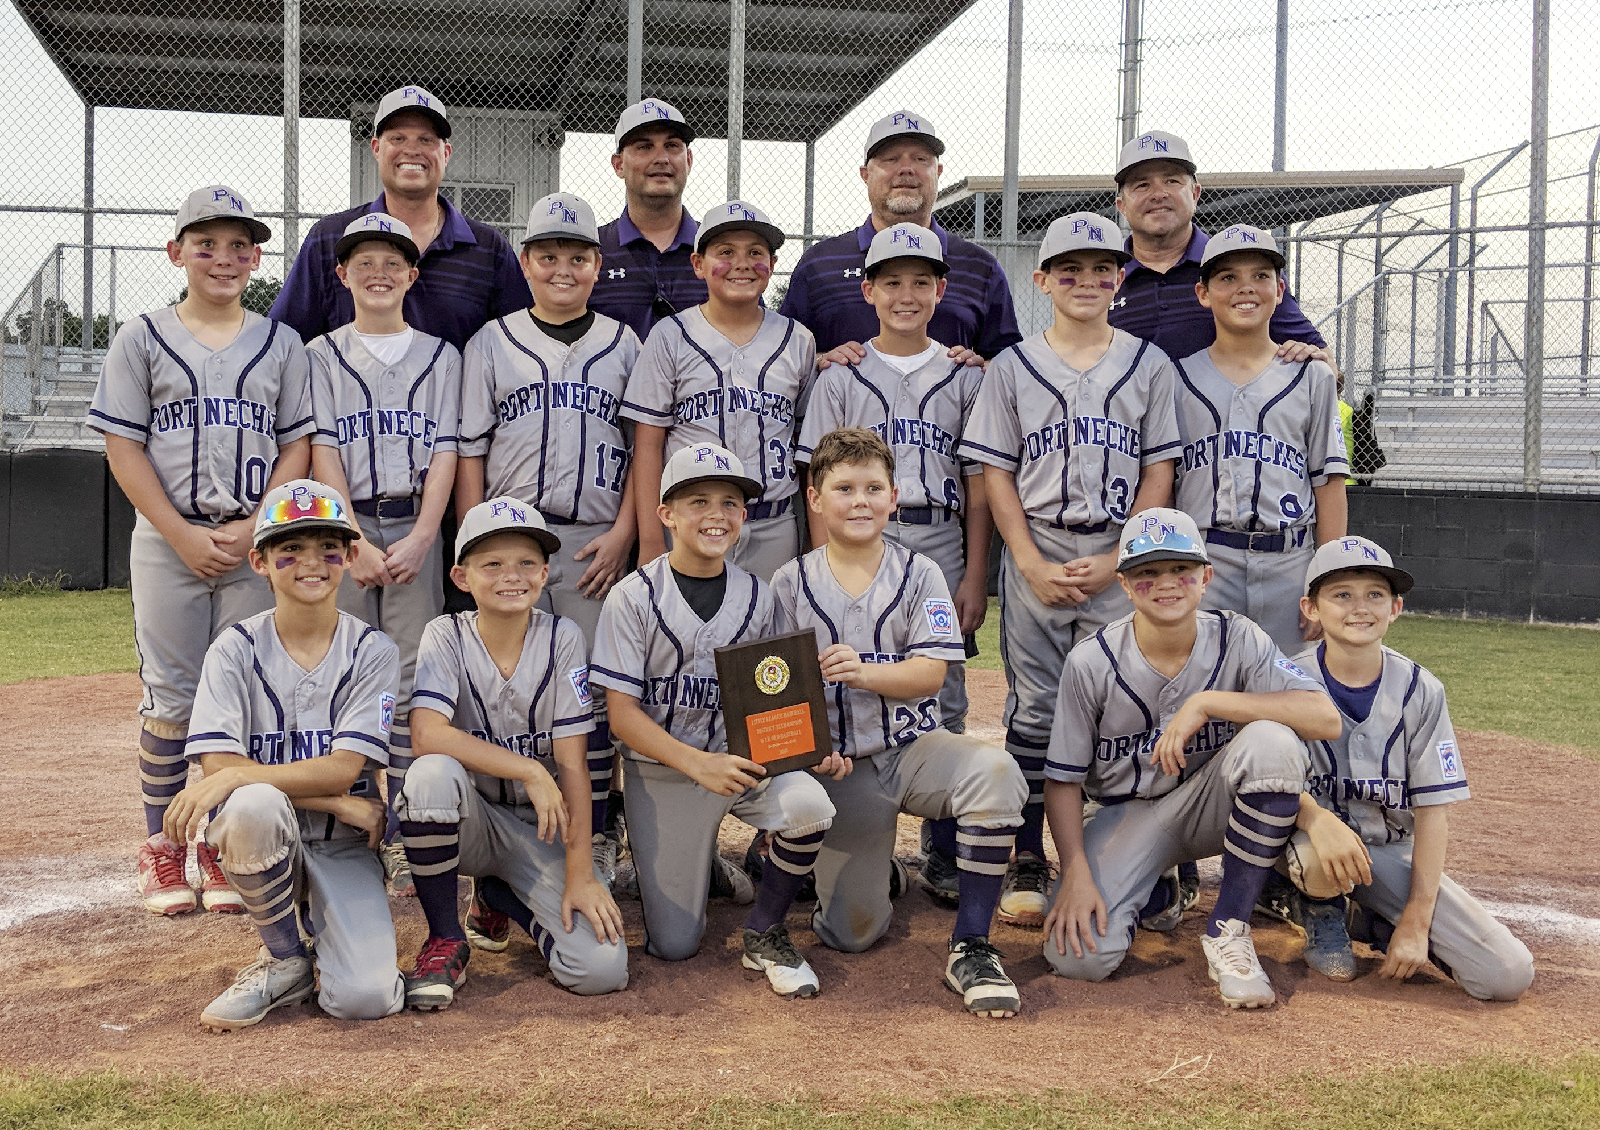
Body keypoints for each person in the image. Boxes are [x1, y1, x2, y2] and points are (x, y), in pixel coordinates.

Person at [89, 184, 313, 917]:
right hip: (168, 537)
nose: (223, 257)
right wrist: (180, 533)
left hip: (252, 540)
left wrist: (257, 526)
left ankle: (216, 840)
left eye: (239, 246)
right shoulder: (141, 336)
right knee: (172, 698)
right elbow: (123, 447)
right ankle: (162, 843)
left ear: (256, 258)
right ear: (176, 252)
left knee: (238, 696)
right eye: (206, 243)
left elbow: (296, 445)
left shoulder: (281, 343)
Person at [956, 213, 1179, 926]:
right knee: (1036, 709)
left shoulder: (1149, 364)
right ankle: (1028, 853)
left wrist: (1123, 559)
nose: (1088, 281)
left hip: (1120, 552)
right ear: (1043, 280)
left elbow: (1159, 469)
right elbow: (995, 472)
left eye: (1102, 268)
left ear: (1121, 277)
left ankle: (1131, 854)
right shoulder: (1013, 366)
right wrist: (1024, 561)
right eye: (1070, 270)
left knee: (1130, 705)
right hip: (1039, 547)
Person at [771, 428, 1029, 1018]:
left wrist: (863, 672)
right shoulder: (790, 582)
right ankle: (880, 868)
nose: (859, 501)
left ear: (893, 497)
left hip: (915, 749)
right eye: (843, 488)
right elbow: (779, 688)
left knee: (995, 772)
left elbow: (932, 674)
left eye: (872, 488)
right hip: (843, 766)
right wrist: (808, 754)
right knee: (852, 933)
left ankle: (972, 944)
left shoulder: (922, 572)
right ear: (815, 499)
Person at [1039, 508, 1341, 1009]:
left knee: (1272, 741)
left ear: (1206, 577)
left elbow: (1324, 717)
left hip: (1209, 804)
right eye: (1148, 572)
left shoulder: (1238, 636)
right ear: (1124, 584)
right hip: (1124, 816)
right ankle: (1157, 886)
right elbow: (1063, 781)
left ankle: (1229, 927)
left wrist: (1208, 703)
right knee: (1079, 958)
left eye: (1181, 569)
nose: (1166, 583)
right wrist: (1074, 871)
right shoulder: (1090, 661)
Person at [590, 445, 844, 998]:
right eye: (698, 501)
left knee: (809, 805)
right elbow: (621, 716)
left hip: (739, 764)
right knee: (675, 944)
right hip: (663, 773)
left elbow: (776, 698)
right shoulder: (632, 597)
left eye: (730, 503)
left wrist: (810, 748)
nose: (716, 515)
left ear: (744, 516)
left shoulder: (759, 597)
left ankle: (765, 929)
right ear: (666, 514)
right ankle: (700, 860)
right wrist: (696, 764)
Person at [457, 192, 642, 902]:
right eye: (547, 256)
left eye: (578, 256)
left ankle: (596, 831)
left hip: (595, 545)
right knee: (508, 696)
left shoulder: (624, 344)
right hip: (510, 544)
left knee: (592, 698)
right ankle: (507, 843)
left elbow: (643, 447)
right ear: (526, 262)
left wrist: (624, 532)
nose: (563, 268)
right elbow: (471, 450)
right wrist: (473, 541)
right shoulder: (491, 341)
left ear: (597, 264)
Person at [166, 479, 404, 1030]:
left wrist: (239, 777)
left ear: (349, 557)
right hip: (271, 833)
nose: (311, 562)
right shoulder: (233, 649)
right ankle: (285, 958)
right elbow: (219, 770)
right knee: (252, 806)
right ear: (260, 562)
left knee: (366, 998)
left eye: (328, 548)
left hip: (343, 847)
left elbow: (344, 768)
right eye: (290, 549)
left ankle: (328, 932)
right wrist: (337, 801)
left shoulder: (373, 651)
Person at [396, 498, 630, 1009]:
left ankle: (500, 896)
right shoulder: (445, 634)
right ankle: (445, 937)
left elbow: (574, 765)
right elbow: (427, 734)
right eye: (492, 564)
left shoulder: (564, 636)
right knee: (430, 776)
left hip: (543, 829)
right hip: (473, 821)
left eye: (526, 562)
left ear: (545, 574)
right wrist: (528, 769)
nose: (511, 576)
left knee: (600, 970)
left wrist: (580, 874)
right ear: (461, 577)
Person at [1277, 536, 1533, 1001]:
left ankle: (1365, 919)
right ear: (1310, 608)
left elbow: (1434, 812)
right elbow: (1258, 778)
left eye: (1375, 594)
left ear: (1395, 608)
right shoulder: (1284, 680)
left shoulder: (1422, 690)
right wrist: (1314, 820)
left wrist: (1416, 920)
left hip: (1388, 853)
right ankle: (1301, 896)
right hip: (1302, 841)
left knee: (1506, 974)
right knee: (1315, 858)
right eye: (1342, 594)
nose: (1360, 607)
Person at [308, 212, 461, 898]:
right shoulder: (320, 354)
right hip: (346, 529)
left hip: (415, 524)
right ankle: (348, 822)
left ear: (412, 274)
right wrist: (350, 539)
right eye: (364, 262)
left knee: (406, 680)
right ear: (342, 275)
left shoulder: (442, 356)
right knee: (341, 676)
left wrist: (426, 535)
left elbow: (447, 450)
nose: (379, 273)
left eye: (392, 262)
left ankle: (400, 829)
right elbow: (323, 448)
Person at [1171, 224, 1349, 658]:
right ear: (1203, 293)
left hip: (1291, 562)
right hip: (1205, 561)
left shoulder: (1313, 376)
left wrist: (1326, 579)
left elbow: (1329, 485)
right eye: (1228, 277)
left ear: (1280, 290)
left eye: (1261, 275)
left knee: (1292, 690)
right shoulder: (1174, 378)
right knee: (1204, 689)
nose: (1245, 287)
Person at [622, 202, 815, 582]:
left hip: (774, 522)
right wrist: (650, 539)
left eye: (755, 253)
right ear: (698, 264)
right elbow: (648, 444)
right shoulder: (670, 335)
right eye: (726, 252)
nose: (742, 264)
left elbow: (809, 450)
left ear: (773, 264)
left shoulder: (798, 340)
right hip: (690, 524)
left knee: (771, 620)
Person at [270, 86, 531, 352]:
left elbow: (521, 348)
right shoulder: (331, 238)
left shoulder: (488, 248)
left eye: (426, 139)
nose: (412, 150)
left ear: (446, 153)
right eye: (398, 138)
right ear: (376, 148)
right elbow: (283, 343)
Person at [780, 110, 1021, 363]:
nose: (906, 169)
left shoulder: (980, 266)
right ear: (865, 174)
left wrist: (981, 367)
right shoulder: (819, 264)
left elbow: (1009, 363)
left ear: (938, 171)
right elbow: (784, 356)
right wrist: (821, 361)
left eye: (920, 159)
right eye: (891, 159)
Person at [1108, 130, 1326, 364]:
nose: (1159, 194)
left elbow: (1324, 362)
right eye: (1142, 185)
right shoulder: (1100, 278)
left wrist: (1308, 358)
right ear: (1122, 205)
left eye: (1172, 181)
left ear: (1195, 194)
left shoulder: (1241, 268)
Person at [590, 99, 708, 341]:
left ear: (688, 160)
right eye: (645, 147)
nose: (661, 158)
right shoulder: (590, 253)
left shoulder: (719, 253)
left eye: (672, 146)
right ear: (618, 164)